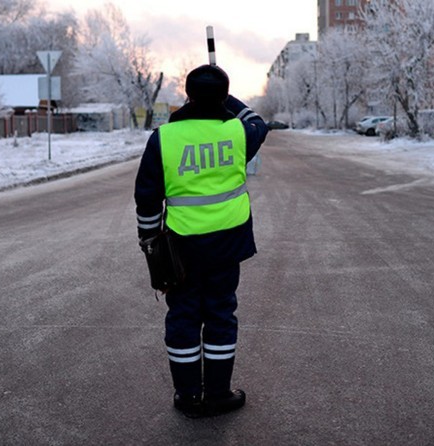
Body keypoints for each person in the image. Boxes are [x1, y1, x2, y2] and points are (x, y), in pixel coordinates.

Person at [134, 64, 269, 418]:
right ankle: (219, 393)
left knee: (183, 318)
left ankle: (189, 396)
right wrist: (227, 100)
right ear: (224, 96)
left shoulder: (164, 138)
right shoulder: (240, 133)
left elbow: (147, 199)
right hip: (227, 245)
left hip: (182, 249)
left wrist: (149, 239)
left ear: (188, 96)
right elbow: (257, 119)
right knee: (221, 316)